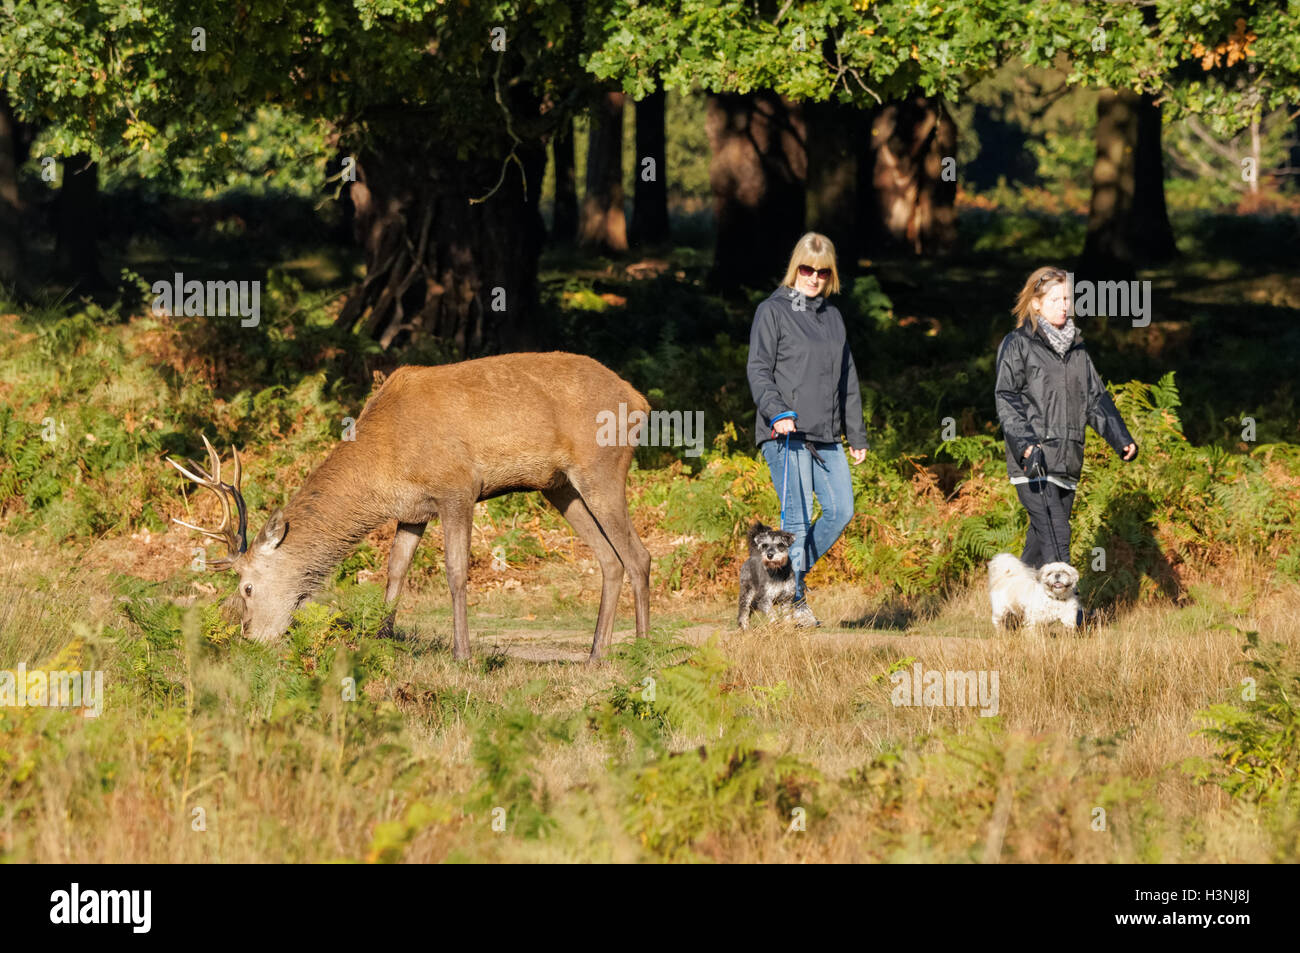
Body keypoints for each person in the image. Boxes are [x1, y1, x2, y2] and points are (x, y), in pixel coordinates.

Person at [747, 232, 869, 627]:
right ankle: (793, 602)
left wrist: (856, 433)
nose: (813, 277)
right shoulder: (773, 310)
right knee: (795, 521)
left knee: (840, 510)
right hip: (785, 433)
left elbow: (847, 378)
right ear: (794, 267)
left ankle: (781, 579)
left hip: (826, 434)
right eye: (806, 269)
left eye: (822, 271)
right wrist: (777, 411)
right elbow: (759, 369)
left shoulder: (832, 317)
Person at [994, 266, 1138, 570]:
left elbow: (1095, 398)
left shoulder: (1077, 349)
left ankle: (1014, 605)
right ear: (1036, 303)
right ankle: (1073, 614)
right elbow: (1006, 396)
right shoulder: (1018, 343)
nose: (1064, 305)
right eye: (1056, 299)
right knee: (1058, 536)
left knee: (1039, 542)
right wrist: (1026, 446)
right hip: (1035, 460)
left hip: (1069, 458)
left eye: (1067, 299)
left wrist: (1120, 438)